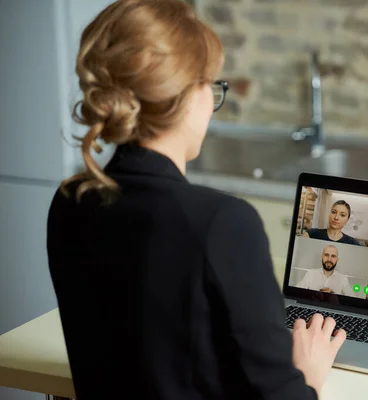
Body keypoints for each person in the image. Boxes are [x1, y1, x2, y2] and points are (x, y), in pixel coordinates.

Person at [45, 1, 345, 399]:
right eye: (211, 85)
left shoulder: (70, 202)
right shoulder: (222, 221)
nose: (211, 101)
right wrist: (307, 374)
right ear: (186, 96)